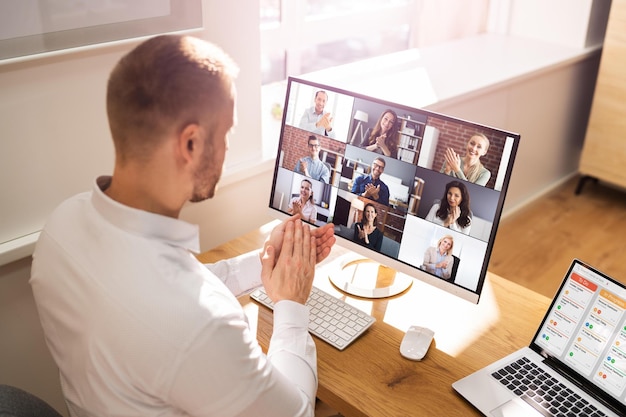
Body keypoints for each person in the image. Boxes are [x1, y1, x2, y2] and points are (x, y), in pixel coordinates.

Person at [29, 34, 337, 417]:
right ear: (190, 144)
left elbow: (170, 290)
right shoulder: (198, 327)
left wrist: (264, 262)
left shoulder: (61, 227)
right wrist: (291, 304)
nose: (227, 148)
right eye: (227, 132)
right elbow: (297, 412)